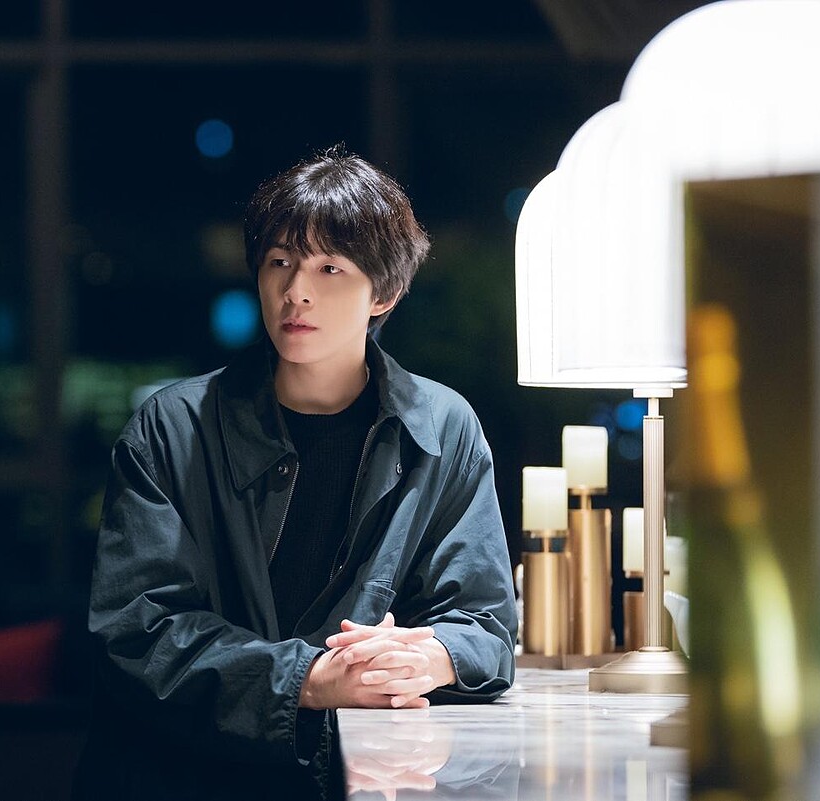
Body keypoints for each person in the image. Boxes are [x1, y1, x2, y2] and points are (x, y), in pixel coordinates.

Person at [73, 148, 517, 798]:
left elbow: (484, 622)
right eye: (280, 262)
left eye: (329, 267)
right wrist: (310, 677)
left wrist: (428, 656)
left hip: (352, 779)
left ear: (384, 292)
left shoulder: (443, 427)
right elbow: (138, 633)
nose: (295, 291)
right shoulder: (171, 426)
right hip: (178, 778)